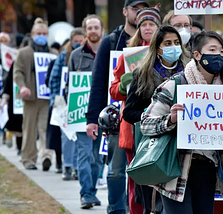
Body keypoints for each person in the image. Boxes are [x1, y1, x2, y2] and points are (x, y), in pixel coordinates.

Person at [139, 30, 223, 214]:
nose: (218, 55)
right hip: (175, 170)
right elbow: (146, 124)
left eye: (221, 52)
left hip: (209, 169)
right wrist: (170, 119)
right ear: (197, 55)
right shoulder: (176, 86)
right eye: (212, 50)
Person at [86, 0, 149, 213]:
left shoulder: (159, 47)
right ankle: (116, 210)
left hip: (147, 122)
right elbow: (99, 83)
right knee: (115, 172)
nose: (139, 15)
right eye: (135, 9)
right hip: (117, 119)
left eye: (144, 10)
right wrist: (92, 119)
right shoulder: (111, 41)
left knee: (140, 173)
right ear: (125, 12)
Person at [123, 25, 189, 214]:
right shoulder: (143, 73)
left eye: (176, 43)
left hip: (182, 148)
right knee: (153, 204)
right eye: (167, 43)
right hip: (154, 147)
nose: (173, 47)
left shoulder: (189, 73)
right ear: (157, 48)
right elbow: (129, 112)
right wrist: (154, 115)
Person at [110, 5, 160, 214]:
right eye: (143, 24)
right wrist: (123, 85)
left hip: (162, 126)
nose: (147, 28)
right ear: (138, 28)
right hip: (133, 129)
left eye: (152, 24)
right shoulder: (128, 56)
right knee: (136, 184)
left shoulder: (164, 53)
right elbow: (113, 91)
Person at [66, 14, 104, 209]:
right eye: (89, 28)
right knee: (83, 154)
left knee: (98, 158)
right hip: (81, 115)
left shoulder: (108, 53)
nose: (93, 31)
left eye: (96, 27)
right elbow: (69, 86)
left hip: (103, 115)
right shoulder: (76, 56)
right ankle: (86, 193)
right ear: (85, 31)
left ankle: (93, 192)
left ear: (102, 30)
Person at [13, 18, 58, 171]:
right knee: (30, 129)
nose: (41, 36)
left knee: (45, 128)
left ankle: (46, 156)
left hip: (47, 98)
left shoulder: (53, 53)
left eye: (44, 33)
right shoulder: (24, 53)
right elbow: (17, 72)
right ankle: (29, 159)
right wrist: (22, 87)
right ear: (32, 34)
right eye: (39, 33)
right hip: (30, 97)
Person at [49, 27, 85, 180]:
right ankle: (67, 165)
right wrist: (55, 100)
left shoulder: (88, 55)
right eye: (75, 41)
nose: (77, 44)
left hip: (81, 100)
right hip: (64, 101)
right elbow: (54, 78)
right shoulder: (64, 56)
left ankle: (77, 167)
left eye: (80, 41)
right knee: (66, 136)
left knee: (79, 135)